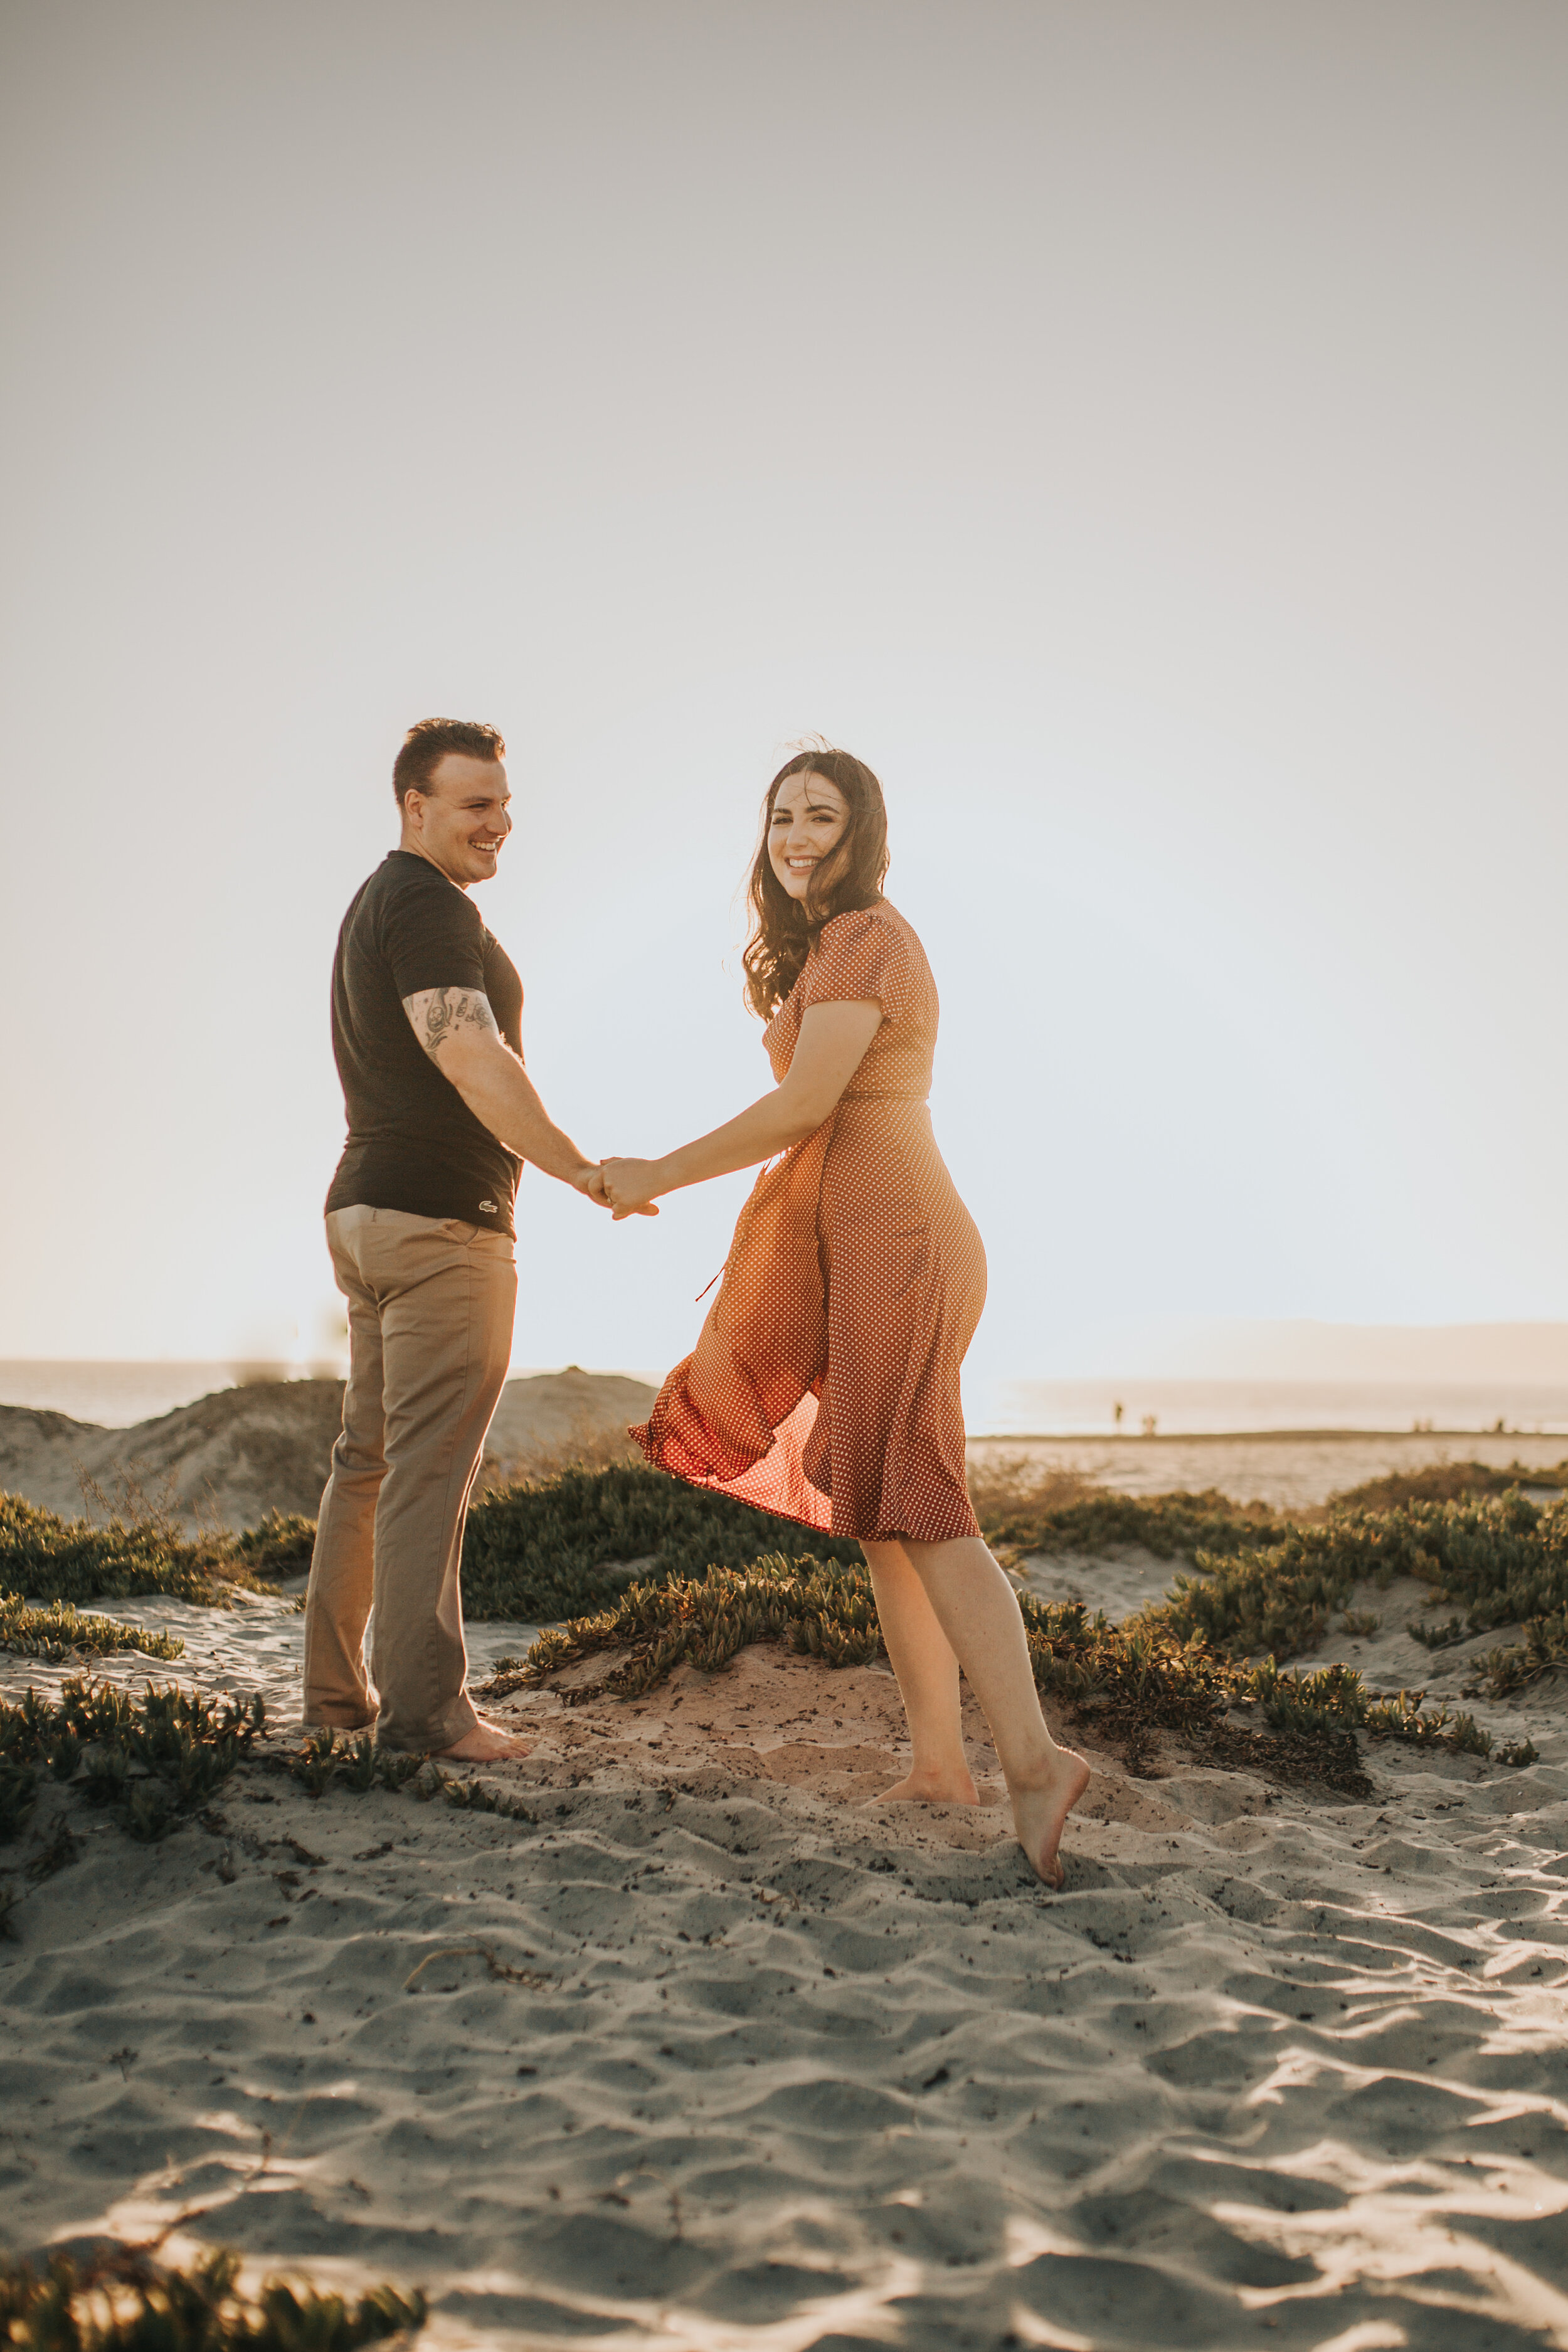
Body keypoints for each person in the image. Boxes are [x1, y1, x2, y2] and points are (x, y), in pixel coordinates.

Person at [600, 748, 1089, 1887]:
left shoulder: (867, 935)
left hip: (903, 1238)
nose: (796, 834)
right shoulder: (827, 946)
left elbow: (809, 1103)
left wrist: (661, 1167)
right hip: (867, 1243)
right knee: (878, 1503)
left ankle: (1033, 1759)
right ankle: (938, 1765)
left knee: (921, 1497)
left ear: (863, 828)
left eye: (822, 814)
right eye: (780, 816)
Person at [304, 718, 640, 1760]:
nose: (498, 823)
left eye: (503, 803)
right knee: (427, 1474)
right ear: (416, 807)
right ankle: (425, 1715)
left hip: (364, 1211)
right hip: (442, 1224)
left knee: (367, 1463)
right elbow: (469, 1050)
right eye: (474, 804)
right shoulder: (430, 904)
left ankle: (333, 1705)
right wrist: (579, 1165)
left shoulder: (377, 903)